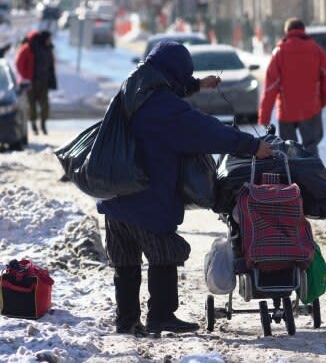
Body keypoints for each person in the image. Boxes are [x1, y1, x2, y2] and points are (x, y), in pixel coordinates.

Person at [97, 40, 274, 335]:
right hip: (148, 195)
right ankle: (161, 316)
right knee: (164, 253)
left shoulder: (133, 89)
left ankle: (126, 319)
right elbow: (207, 131)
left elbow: (164, 87)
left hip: (117, 194)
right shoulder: (166, 110)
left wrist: (196, 85)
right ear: (174, 73)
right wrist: (253, 146)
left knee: (125, 260)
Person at [257, 18, 326, 157]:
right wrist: (321, 101)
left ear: (287, 32)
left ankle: (292, 177)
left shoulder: (279, 52)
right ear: (303, 31)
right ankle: (312, 176)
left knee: (289, 150)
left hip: (287, 111)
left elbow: (270, 87)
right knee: (311, 147)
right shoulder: (316, 50)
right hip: (311, 108)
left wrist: (264, 117)